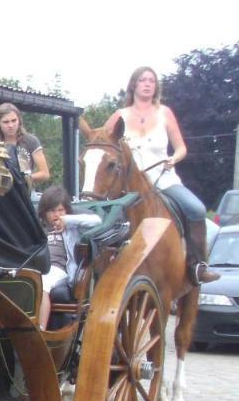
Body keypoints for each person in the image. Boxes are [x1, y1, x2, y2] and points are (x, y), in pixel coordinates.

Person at [105, 66, 219, 284]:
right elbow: (103, 141)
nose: (148, 84)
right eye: (143, 80)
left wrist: (173, 159)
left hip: (163, 179)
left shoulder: (164, 113)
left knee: (196, 209)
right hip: (128, 185)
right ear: (134, 85)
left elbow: (181, 148)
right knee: (101, 214)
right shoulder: (120, 116)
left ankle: (198, 266)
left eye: (152, 81)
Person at [36, 186, 100, 330]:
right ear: (44, 212)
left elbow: (96, 221)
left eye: (60, 210)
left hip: (57, 269)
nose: (57, 215)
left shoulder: (72, 228)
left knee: (42, 283)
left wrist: (68, 220)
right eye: (52, 211)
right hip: (37, 266)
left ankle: (40, 331)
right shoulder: (39, 228)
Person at [0, 103, 49, 190]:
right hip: (2, 192)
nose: (10, 125)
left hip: (26, 192)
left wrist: (25, 179)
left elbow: (45, 174)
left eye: (14, 121)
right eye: (6, 122)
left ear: (19, 121)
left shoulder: (30, 141)